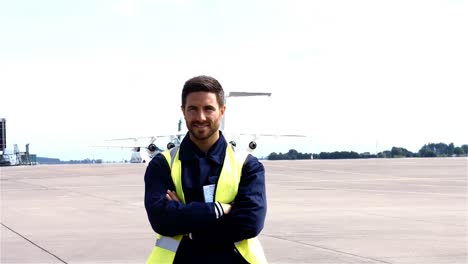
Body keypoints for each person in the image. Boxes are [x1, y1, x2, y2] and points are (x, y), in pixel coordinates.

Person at [144, 75, 268, 263]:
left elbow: (250, 223)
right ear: (183, 112)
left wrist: (188, 225)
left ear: (222, 111)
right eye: (193, 109)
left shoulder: (247, 165)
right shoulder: (163, 164)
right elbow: (161, 220)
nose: (200, 117)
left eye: (208, 109)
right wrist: (220, 209)